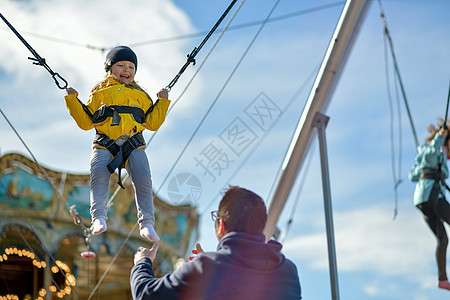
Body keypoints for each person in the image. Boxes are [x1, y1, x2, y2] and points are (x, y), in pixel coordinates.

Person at [64, 46, 170, 241]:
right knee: (99, 175)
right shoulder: (99, 93)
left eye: (131, 67)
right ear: (110, 69)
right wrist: (72, 100)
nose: (126, 70)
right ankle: (98, 217)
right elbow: (87, 122)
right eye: (120, 65)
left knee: (143, 179)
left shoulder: (141, 96)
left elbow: (152, 123)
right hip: (105, 142)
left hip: (133, 143)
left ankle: (147, 222)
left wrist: (162, 102)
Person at [130, 186, 301, 299]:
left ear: (221, 226)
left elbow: (145, 294)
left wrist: (142, 262)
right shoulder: (288, 271)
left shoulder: (204, 266)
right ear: (260, 226)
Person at [409, 119, 450, 291]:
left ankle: (442, 280)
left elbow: (413, 175)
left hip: (423, 199)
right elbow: (429, 154)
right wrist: (440, 139)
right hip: (431, 194)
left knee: (443, 238)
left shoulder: (431, 154)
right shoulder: (432, 148)